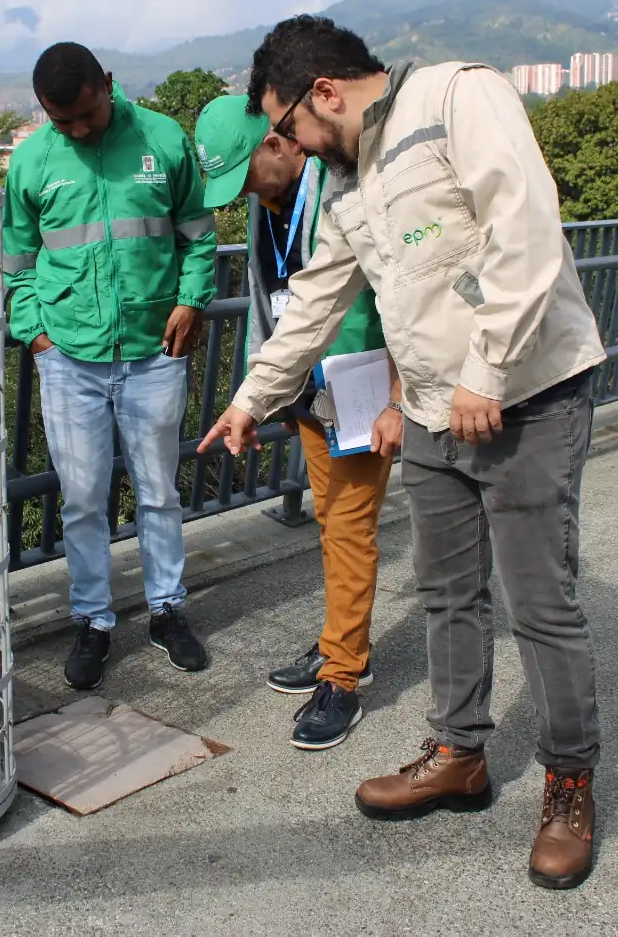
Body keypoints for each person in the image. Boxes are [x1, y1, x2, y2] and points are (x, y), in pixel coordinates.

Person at [198, 16, 609, 890]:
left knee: (541, 606)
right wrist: (250, 400)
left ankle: (570, 783)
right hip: (429, 407)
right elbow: (315, 297)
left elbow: (527, 230)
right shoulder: (346, 179)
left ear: (326, 93)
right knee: (448, 594)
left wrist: (488, 371)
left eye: (290, 129)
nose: (295, 149)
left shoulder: (461, 96)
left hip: (525, 396)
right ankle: (459, 752)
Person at [4, 42, 218, 691]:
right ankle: (93, 620)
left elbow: (198, 235)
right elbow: (16, 261)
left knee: (158, 492)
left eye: (85, 116)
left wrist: (192, 300)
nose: (75, 131)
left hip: (154, 351)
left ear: (109, 85)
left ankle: (167, 610)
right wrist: (33, 334)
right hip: (68, 358)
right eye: (60, 120)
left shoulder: (163, 140)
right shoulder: (32, 160)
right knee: (82, 500)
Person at [192, 94, 401, 751]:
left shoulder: (344, 188)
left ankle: (343, 673)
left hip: (362, 378)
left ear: (280, 143)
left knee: (350, 526)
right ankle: (341, 642)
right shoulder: (268, 204)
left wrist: (400, 388)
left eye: (249, 174)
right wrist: (261, 393)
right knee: (328, 517)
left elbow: (404, 290)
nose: (247, 192)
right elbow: (267, 297)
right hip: (308, 387)